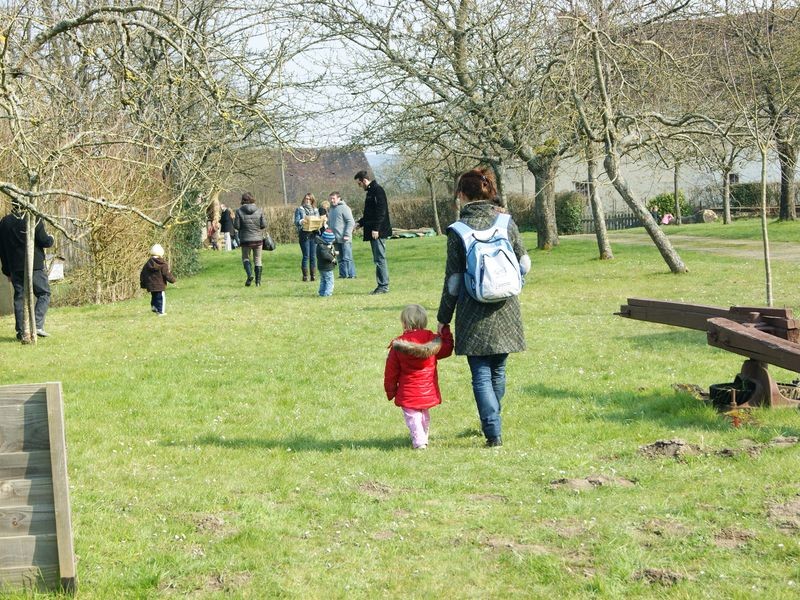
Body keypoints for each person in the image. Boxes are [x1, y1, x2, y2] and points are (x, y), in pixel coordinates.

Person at [436, 168, 530, 448]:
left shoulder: (458, 230)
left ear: (462, 195)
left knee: (480, 374)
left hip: (472, 310)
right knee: (498, 370)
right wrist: (512, 284)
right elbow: (524, 263)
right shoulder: (505, 221)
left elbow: (453, 281)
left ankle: (492, 432)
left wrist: (443, 317)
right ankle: (493, 422)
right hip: (506, 308)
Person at [384, 304, 453, 450]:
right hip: (427, 390)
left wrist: (391, 391)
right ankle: (423, 437)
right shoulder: (433, 340)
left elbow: (391, 372)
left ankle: (419, 441)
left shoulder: (399, 344)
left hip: (408, 391)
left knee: (413, 417)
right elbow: (447, 349)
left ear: (404, 323)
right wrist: (444, 330)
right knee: (423, 414)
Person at [0, 203, 55, 341]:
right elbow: (44, 241)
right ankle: (37, 325)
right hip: (34, 264)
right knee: (44, 293)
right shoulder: (33, 217)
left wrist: (7, 271)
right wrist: (51, 239)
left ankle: (21, 331)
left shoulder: (4, 222)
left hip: (15, 266)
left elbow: (2, 248)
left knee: (20, 297)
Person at [354, 170, 392, 294]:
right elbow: (369, 213)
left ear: (364, 180)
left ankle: (383, 286)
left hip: (378, 232)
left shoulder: (377, 190)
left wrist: (376, 229)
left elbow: (381, 211)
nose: (359, 186)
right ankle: (381, 285)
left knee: (380, 258)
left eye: (359, 183)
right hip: (374, 230)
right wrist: (360, 223)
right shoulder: (371, 192)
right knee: (377, 259)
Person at [234, 192, 267, 287]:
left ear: (243, 200)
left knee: (245, 258)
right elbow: (264, 225)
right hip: (258, 239)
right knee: (258, 259)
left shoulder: (239, 211)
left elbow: (237, 226)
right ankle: (258, 282)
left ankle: (250, 275)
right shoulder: (259, 210)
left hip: (245, 239)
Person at [139, 244, 176, 315]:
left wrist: (143, 284)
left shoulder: (148, 264)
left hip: (151, 285)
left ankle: (154, 306)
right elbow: (166, 274)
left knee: (154, 296)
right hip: (159, 285)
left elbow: (143, 274)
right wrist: (173, 280)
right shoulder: (163, 264)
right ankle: (161, 312)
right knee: (161, 298)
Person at [326, 191, 356, 279]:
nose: (332, 200)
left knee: (347, 257)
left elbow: (351, 222)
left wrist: (347, 234)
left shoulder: (345, 208)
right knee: (340, 258)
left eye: (333, 198)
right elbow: (330, 223)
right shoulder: (331, 209)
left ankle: (351, 275)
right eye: (331, 199)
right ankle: (343, 275)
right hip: (335, 239)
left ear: (339, 198)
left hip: (345, 238)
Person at [294, 193, 319, 282]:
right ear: (304, 199)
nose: (307, 200)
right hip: (304, 234)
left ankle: (313, 276)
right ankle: (305, 277)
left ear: (312, 200)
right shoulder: (299, 209)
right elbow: (296, 222)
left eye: (309, 199)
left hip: (313, 234)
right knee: (306, 255)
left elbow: (318, 221)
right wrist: (302, 221)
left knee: (313, 256)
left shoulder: (315, 210)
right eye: (306, 199)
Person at [315, 228, 337, 297]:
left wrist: (333, 253)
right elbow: (325, 255)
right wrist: (332, 259)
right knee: (330, 280)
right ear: (328, 240)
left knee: (323, 280)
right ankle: (327, 294)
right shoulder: (323, 247)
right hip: (326, 267)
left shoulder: (321, 244)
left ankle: (321, 293)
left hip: (321, 267)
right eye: (331, 241)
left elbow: (326, 252)